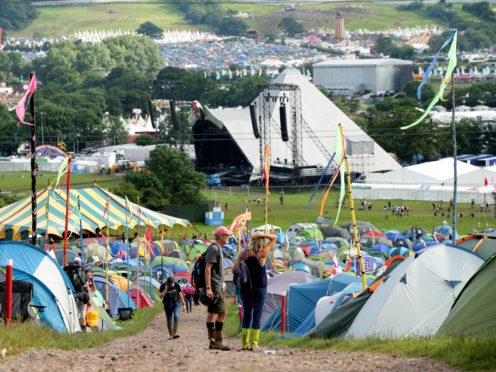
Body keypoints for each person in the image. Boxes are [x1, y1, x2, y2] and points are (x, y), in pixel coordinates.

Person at [233, 232, 276, 351]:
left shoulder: (243, 254)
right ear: (262, 244)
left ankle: (244, 344)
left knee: (247, 315)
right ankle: (254, 344)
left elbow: (233, 269)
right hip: (260, 289)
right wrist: (261, 235)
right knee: (257, 316)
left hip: (246, 289)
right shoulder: (262, 254)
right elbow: (274, 238)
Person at [205, 226, 232, 350]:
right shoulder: (214, 248)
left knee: (212, 312)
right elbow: (208, 269)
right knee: (222, 313)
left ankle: (212, 342)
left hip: (217, 285)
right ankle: (218, 342)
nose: (228, 237)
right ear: (220, 236)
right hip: (214, 285)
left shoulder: (217, 248)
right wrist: (209, 288)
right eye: (226, 235)